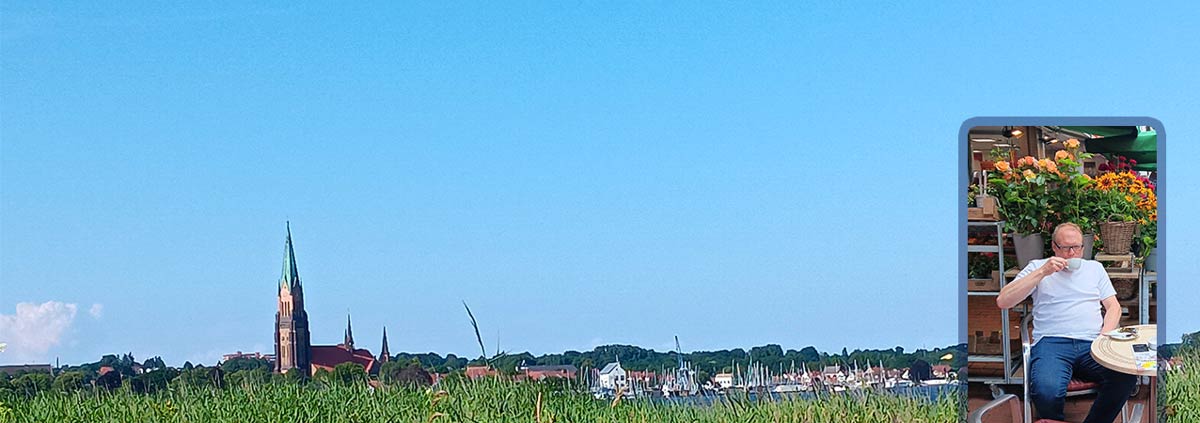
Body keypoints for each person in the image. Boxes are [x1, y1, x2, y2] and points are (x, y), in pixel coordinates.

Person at [996, 222, 1137, 423]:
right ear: (1054, 247)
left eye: (1077, 247)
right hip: (1051, 344)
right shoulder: (1037, 267)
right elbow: (1003, 301)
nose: (1072, 253)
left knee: (1125, 377)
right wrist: (1042, 272)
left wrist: (1104, 335)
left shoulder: (1094, 269)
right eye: (1066, 248)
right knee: (1046, 390)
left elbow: (1113, 307)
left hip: (1092, 343)